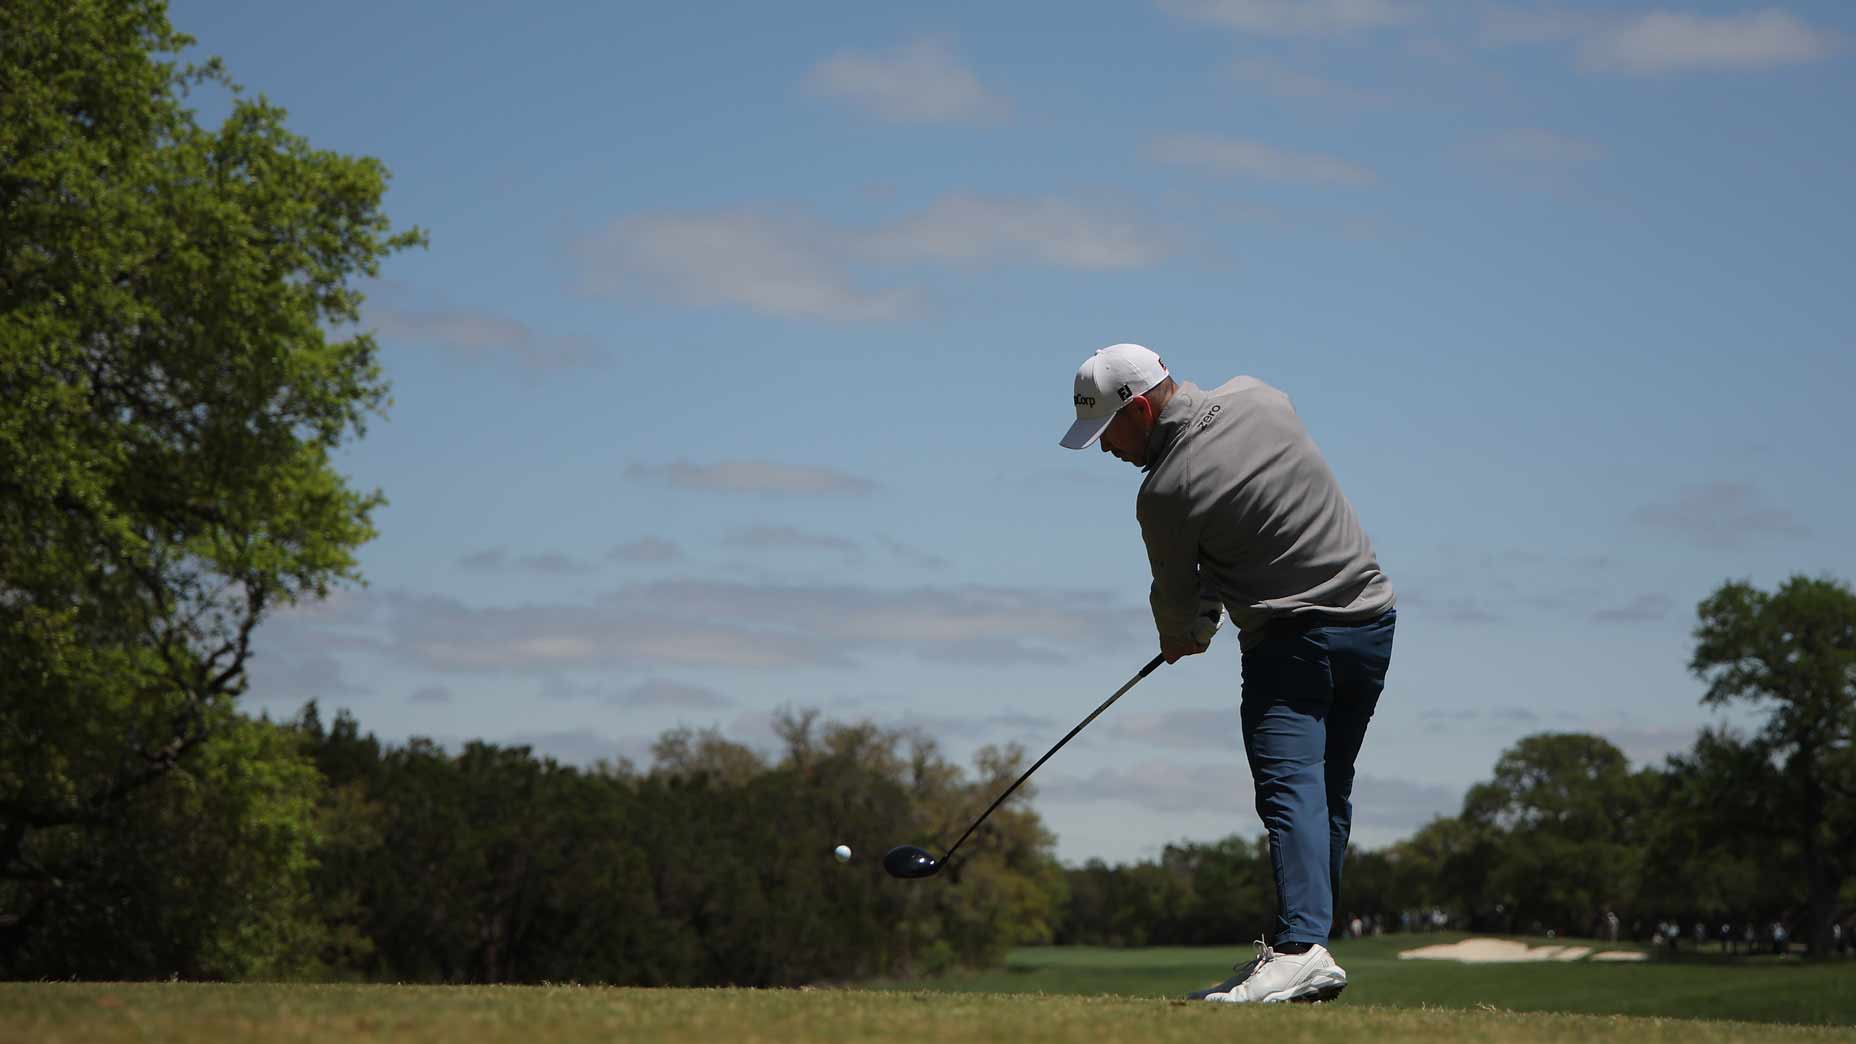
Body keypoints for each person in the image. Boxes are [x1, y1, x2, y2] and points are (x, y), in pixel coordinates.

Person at [1060, 344, 1396, 1004]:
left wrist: (1184, 638)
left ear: (1141, 406)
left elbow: (1180, 606)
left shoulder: (1161, 493)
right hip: (1373, 623)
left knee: (1290, 788)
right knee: (1327, 788)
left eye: (1107, 430)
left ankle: (1300, 948)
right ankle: (1303, 951)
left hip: (1291, 642)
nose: (1104, 449)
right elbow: (1247, 520)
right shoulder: (1261, 395)